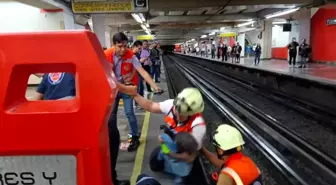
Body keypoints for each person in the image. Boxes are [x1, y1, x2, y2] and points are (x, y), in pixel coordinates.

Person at [104, 32, 161, 184]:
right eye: (119, 46)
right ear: (114, 45)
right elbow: (104, 76)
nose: (122, 49)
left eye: (124, 46)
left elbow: (142, 71)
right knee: (111, 118)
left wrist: (154, 86)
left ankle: (134, 137)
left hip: (127, 88)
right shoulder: (107, 55)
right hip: (112, 90)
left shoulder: (131, 55)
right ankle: (111, 139)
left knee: (130, 113)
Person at [133, 88, 206, 180]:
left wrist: (170, 154)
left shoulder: (197, 126)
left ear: (192, 113)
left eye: (182, 114)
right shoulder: (172, 105)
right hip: (173, 143)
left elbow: (190, 157)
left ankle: (174, 167)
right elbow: (151, 106)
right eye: (177, 111)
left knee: (183, 174)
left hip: (183, 151)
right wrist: (134, 95)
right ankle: (167, 158)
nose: (178, 117)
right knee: (154, 165)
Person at [132, 40, 145, 110]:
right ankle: (137, 104)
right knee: (137, 90)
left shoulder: (137, 54)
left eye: (141, 48)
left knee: (141, 88)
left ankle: (140, 103)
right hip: (135, 75)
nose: (140, 50)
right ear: (134, 47)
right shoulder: (132, 55)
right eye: (139, 48)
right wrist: (140, 61)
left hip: (139, 74)